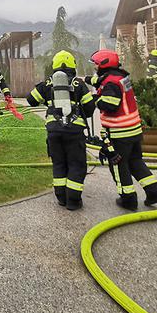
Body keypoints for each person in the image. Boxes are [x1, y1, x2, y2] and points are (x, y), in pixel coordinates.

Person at [89, 49, 157, 211]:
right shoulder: (121, 77)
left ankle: (128, 199)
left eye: (96, 65)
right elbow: (103, 81)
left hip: (119, 133)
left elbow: (109, 105)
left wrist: (95, 99)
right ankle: (155, 191)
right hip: (134, 131)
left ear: (103, 65)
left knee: (119, 165)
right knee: (135, 161)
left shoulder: (110, 84)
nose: (95, 68)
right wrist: (90, 80)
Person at [26, 51, 96, 210]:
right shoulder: (79, 84)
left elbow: (30, 100)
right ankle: (73, 201)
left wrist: (47, 100)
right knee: (76, 164)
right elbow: (90, 109)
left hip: (54, 131)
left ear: (54, 65)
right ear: (73, 65)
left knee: (58, 163)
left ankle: (61, 198)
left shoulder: (48, 83)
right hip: (74, 132)